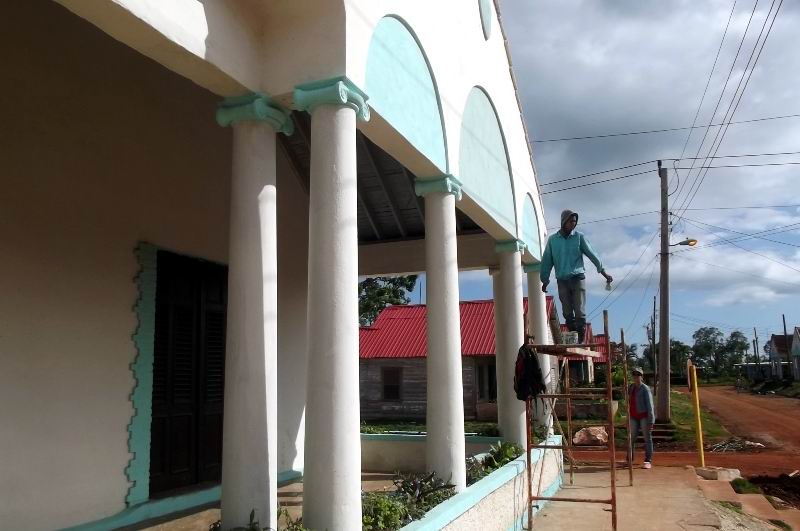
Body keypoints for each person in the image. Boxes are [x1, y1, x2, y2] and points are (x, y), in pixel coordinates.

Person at [539, 209, 612, 343]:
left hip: (578, 277)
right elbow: (547, 261)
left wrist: (603, 272)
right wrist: (544, 280)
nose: (573, 224)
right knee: (567, 311)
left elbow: (592, 254)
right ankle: (573, 336)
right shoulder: (553, 240)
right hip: (562, 279)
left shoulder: (579, 237)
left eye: (575, 222)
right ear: (564, 222)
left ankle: (581, 336)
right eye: (571, 221)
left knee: (579, 309)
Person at [629, 367, 655, 469]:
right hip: (633, 415)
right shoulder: (631, 387)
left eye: (638, 375)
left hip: (643, 416)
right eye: (634, 375)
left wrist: (651, 420)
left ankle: (648, 460)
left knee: (647, 438)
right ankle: (629, 458)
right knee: (631, 438)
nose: (636, 377)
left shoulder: (645, 389)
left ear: (641, 377)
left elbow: (650, 405)